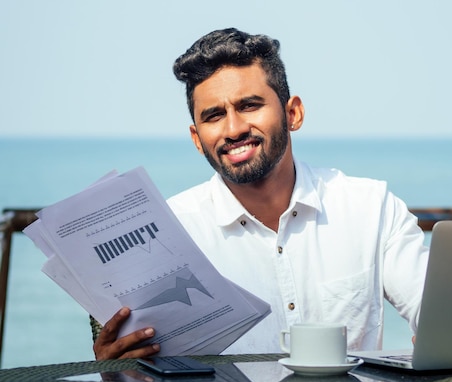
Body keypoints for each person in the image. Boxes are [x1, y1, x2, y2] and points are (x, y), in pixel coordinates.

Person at [94, 28, 429, 360]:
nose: (234, 129)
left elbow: (437, 311)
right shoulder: (169, 234)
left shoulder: (371, 208)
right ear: (197, 139)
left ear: (292, 113)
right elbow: (139, 371)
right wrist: (115, 367)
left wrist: (444, 339)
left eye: (250, 106)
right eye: (214, 115)